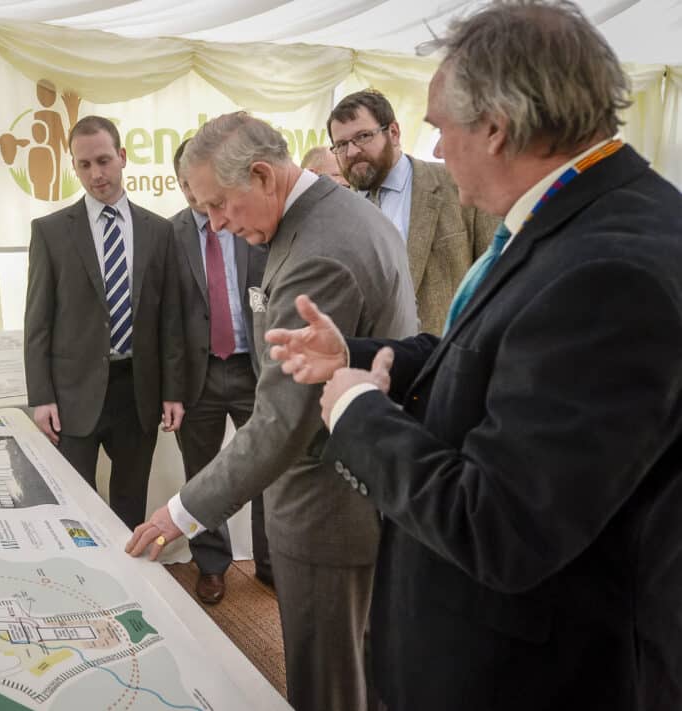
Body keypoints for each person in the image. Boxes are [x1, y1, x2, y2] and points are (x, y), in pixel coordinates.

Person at [265, 2, 682, 710]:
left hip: (525, 677)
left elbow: (501, 524)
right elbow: (493, 358)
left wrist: (359, 410)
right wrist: (361, 352)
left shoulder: (611, 269)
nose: (435, 147)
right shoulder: (581, 218)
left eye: (438, 125)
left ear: (497, 125)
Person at [127, 112, 418, 711]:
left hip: (327, 504)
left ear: (262, 176)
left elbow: (283, 421)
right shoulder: (328, 214)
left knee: (326, 684)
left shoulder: (319, 251)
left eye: (219, 205)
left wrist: (180, 513)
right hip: (357, 488)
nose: (217, 224)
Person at [24, 115, 185, 530]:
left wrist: (172, 390)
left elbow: (169, 319)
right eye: (84, 165)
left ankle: (131, 585)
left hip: (138, 392)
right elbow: (37, 321)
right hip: (73, 392)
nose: (96, 174)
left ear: (123, 157)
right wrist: (41, 397)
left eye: (103, 160)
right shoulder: (51, 232)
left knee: (130, 504)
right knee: (75, 504)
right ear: (74, 168)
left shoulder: (159, 231)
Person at [169, 138, 271, 603]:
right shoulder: (168, 235)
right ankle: (211, 564)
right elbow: (163, 318)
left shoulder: (250, 221)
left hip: (255, 370)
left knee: (268, 468)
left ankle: (272, 563)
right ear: (179, 183)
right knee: (202, 474)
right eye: (187, 184)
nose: (197, 195)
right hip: (200, 375)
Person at [329, 89, 498, 335]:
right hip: (371, 365)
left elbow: (496, 276)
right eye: (341, 144)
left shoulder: (458, 183)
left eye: (363, 136)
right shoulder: (339, 213)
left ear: (394, 133)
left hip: (446, 359)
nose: (352, 152)